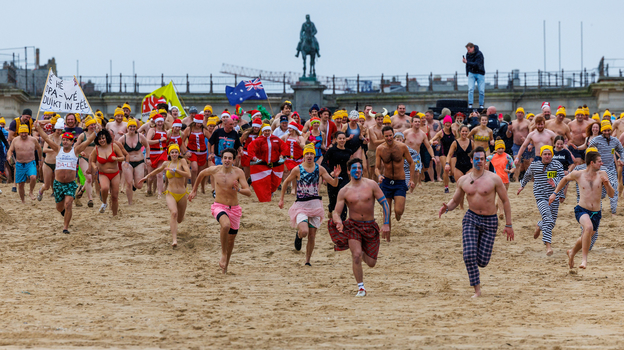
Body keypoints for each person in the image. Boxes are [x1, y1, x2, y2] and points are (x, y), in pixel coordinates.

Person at [439, 146, 514, 298]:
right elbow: (455, 200)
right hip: (471, 218)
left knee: (482, 261)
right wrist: (447, 208)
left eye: (482, 159)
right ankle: (477, 291)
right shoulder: (463, 180)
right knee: (468, 255)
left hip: (490, 221)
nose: (480, 162)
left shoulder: (494, 178)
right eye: (477, 159)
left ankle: (478, 271)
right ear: (471, 160)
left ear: (485, 161)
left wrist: (508, 224)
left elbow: (505, 201)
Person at [328, 158, 390, 297]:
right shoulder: (344, 191)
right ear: (349, 171)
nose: (358, 170)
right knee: (355, 255)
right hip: (353, 226)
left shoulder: (372, 185)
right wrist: (338, 221)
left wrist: (386, 223)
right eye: (355, 168)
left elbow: (385, 204)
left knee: (371, 263)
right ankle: (361, 288)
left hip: (370, 226)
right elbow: (336, 212)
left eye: (360, 168)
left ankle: (362, 252)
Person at [189, 148, 251, 274]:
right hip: (219, 206)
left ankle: (225, 267)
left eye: (229, 158)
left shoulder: (238, 172)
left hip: (234, 209)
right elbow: (201, 174)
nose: (227, 160)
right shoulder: (215, 170)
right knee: (225, 225)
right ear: (221, 159)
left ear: (233, 160)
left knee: (231, 240)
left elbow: (248, 192)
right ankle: (223, 253)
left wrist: (238, 190)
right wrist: (194, 190)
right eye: (225, 158)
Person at [550, 149, 614, 269]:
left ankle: (572, 252)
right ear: (592, 162)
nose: (602, 164)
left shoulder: (602, 174)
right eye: (599, 162)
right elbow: (564, 179)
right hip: (581, 209)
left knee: (587, 235)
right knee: (588, 228)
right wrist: (555, 193)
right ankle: (584, 260)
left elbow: (611, 194)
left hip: (596, 212)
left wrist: (607, 185)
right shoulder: (578, 174)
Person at [278, 144, 340, 265]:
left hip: (315, 204)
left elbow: (333, 184)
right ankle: (299, 235)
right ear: (304, 155)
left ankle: (307, 260)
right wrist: (281, 199)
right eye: (307, 153)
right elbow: (285, 182)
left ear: (314, 155)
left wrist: (336, 177)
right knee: (305, 231)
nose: (309, 156)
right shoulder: (297, 169)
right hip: (301, 205)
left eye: (311, 153)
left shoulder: (320, 169)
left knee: (312, 236)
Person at [34, 122, 97, 233]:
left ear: (72, 142)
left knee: (68, 204)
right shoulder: (58, 149)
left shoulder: (76, 150)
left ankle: (65, 227)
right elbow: (46, 139)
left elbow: (88, 141)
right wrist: (38, 127)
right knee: (59, 207)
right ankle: (65, 215)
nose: (65, 141)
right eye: (64, 140)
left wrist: (97, 131)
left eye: (68, 140)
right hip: (58, 184)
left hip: (70, 184)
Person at [139, 144, 191, 247]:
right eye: (172, 152)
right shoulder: (166, 163)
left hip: (182, 194)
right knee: (174, 213)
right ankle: (174, 240)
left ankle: (176, 226)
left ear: (179, 153)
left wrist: (176, 170)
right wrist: (147, 176)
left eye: (176, 152)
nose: (174, 154)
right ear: (169, 154)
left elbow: (188, 174)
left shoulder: (182, 162)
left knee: (179, 219)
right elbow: (158, 170)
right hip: (170, 193)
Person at [517, 145, 565, 256]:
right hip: (541, 196)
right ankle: (548, 246)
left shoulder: (557, 165)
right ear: (541, 155)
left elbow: (564, 180)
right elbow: (527, 175)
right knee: (548, 219)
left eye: (549, 154)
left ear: (552, 155)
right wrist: (522, 186)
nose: (547, 156)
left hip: (554, 196)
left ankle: (539, 225)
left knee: (551, 222)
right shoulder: (535, 165)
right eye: (545, 154)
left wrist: (558, 187)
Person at [375, 126, 415, 229]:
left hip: (400, 182)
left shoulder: (402, 147)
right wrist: (379, 175)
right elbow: (377, 168)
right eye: (386, 136)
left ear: (393, 135)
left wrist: (411, 179)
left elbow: (411, 163)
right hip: (386, 181)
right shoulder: (380, 149)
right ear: (383, 136)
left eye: (390, 135)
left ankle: (398, 214)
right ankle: (387, 232)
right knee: (386, 211)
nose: (389, 138)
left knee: (399, 210)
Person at [588, 121, 624, 214]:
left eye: (608, 130)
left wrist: (622, 159)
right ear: (602, 131)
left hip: (611, 169)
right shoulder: (596, 140)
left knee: (614, 190)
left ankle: (613, 212)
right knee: (600, 192)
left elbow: (621, 150)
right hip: (598, 169)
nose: (607, 132)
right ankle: (597, 210)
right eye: (605, 131)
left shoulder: (615, 140)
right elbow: (588, 152)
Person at [248, 124, 288, 202]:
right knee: (264, 182)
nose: (267, 132)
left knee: (276, 182)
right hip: (263, 165)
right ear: (263, 131)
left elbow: (284, 147)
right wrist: (254, 158)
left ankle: (271, 192)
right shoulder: (258, 140)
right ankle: (265, 198)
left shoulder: (276, 139)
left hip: (276, 164)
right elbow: (250, 149)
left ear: (271, 131)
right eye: (265, 131)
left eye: (268, 131)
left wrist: (282, 155)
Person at [89, 130, 124, 215]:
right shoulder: (96, 149)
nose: (102, 140)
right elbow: (92, 161)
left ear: (106, 138)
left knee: (114, 196)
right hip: (103, 173)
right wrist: (94, 166)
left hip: (115, 174)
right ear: (97, 140)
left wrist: (116, 159)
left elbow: (122, 157)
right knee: (104, 188)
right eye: (100, 139)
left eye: (103, 138)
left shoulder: (114, 146)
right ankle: (104, 203)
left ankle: (115, 215)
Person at [323, 131, 354, 221]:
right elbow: (323, 163)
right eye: (340, 138)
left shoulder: (349, 151)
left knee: (343, 197)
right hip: (333, 177)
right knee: (333, 199)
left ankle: (343, 220)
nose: (342, 140)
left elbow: (351, 164)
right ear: (336, 140)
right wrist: (330, 172)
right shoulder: (332, 150)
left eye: (344, 138)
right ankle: (330, 208)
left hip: (344, 177)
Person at [6, 124, 42, 203]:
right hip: (19, 164)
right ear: (19, 133)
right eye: (22, 133)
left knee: (33, 177)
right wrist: (9, 156)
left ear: (28, 133)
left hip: (30, 162)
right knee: (21, 184)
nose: (24, 134)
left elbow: (39, 148)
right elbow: (10, 150)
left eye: (25, 132)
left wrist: (40, 159)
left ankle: (31, 192)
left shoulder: (33, 140)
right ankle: (23, 201)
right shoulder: (15, 140)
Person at [119, 119, 150, 205]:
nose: (132, 128)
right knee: (128, 183)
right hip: (127, 162)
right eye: (130, 126)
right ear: (127, 128)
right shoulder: (123, 138)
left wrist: (147, 157)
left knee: (139, 185)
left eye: (134, 126)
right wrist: (121, 157)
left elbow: (147, 146)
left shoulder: (140, 136)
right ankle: (130, 202)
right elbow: (116, 148)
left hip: (139, 162)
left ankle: (133, 183)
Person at [486, 139, 515, 219]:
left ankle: (494, 212)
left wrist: (510, 171)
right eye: (499, 148)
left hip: (506, 180)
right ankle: (501, 212)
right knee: (500, 196)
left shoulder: (507, 156)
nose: (501, 150)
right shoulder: (492, 157)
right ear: (496, 149)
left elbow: (513, 167)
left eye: (502, 148)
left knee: (502, 196)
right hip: (496, 180)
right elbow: (482, 160)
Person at [37, 118, 65, 201]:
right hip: (48, 163)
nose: (59, 132)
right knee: (47, 186)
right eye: (58, 130)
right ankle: (41, 191)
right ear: (55, 129)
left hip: (58, 163)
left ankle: (57, 196)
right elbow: (44, 150)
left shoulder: (62, 139)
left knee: (58, 182)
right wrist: (54, 149)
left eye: (61, 130)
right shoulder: (49, 137)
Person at [404, 114, 434, 187]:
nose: (417, 123)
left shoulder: (423, 134)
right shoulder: (406, 132)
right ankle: (405, 187)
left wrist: (433, 156)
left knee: (417, 174)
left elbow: (428, 147)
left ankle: (411, 190)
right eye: (415, 121)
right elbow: (399, 143)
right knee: (405, 172)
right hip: (406, 155)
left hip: (416, 155)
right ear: (412, 123)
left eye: (418, 121)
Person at [182, 113, 211, 189]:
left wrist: (211, 152)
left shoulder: (203, 129)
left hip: (202, 153)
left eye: (200, 123)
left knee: (201, 172)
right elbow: (182, 141)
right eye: (197, 123)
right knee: (194, 169)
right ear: (194, 122)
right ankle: (193, 187)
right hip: (192, 152)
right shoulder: (189, 129)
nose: (199, 125)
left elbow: (211, 140)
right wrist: (186, 151)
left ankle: (201, 186)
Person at [430, 115, 456, 193]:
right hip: (443, 153)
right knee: (446, 170)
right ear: (444, 123)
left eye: (449, 123)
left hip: (452, 152)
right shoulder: (441, 132)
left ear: (451, 123)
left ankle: (451, 175)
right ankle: (446, 187)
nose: (447, 124)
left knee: (453, 171)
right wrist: (433, 143)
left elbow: (458, 140)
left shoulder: (453, 131)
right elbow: (431, 140)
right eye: (446, 123)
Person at [146, 113, 169, 198]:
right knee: (151, 176)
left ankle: (159, 194)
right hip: (152, 153)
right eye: (158, 122)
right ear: (155, 122)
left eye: (161, 122)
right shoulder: (152, 130)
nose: (160, 123)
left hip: (162, 153)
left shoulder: (165, 131)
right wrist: (159, 140)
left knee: (159, 174)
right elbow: (147, 141)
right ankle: (149, 188)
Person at [507, 107, 533, 181]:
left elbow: (531, 133)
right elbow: (508, 135)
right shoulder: (513, 122)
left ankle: (529, 179)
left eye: (521, 113)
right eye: (518, 113)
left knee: (527, 162)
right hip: (516, 145)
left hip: (526, 144)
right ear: (516, 114)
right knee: (516, 162)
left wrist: (529, 142)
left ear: (523, 114)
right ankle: (516, 179)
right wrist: (509, 129)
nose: (520, 114)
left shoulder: (527, 122)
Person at [281, 121, 306, 195]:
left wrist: (299, 144)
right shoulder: (286, 136)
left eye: (290, 128)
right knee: (286, 172)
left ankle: (294, 188)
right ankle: (287, 187)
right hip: (288, 158)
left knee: (295, 174)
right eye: (288, 128)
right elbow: (279, 141)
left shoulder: (300, 137)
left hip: (298, 159)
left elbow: (304, 146)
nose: (288, 129)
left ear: (294, 129)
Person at [463, 42, 485, 109]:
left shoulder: (479, 54)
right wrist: (467, 72)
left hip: (480, 73)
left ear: (473, 48)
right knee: (470, 89)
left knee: (481, 90)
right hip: (471, 73)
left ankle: (481, 105)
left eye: (469, 49)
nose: (468, 51)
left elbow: (477, 64)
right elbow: (467, 65)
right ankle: (470, 104)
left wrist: (467, 62)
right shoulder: (468, 54)